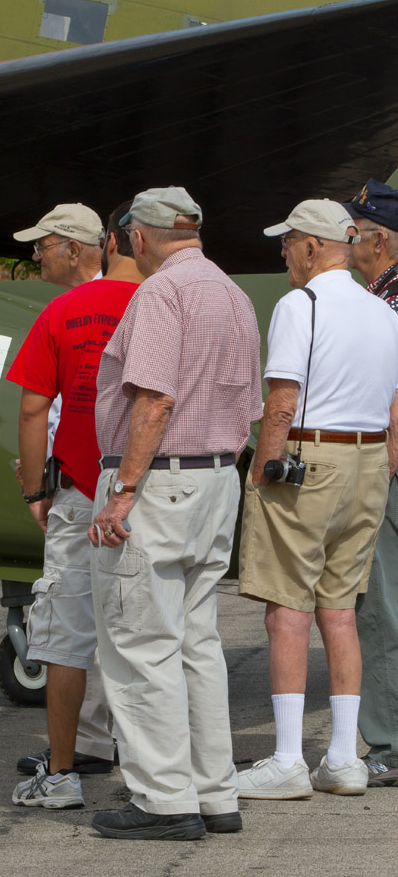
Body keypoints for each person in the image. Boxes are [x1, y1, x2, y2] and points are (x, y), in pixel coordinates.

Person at [89, 186, 261, 840]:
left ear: (138, 235)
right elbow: (248, 406)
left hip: (159, 482)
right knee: (197, 642)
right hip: (216, 478)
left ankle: (163, 798)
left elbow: (154, 399)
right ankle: (215, 790)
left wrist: (124, 487)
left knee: (139, 641)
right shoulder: (232, 293)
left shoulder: (161, 293)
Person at [237, 198, 398, 800]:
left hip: (309, 457)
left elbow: (282, 396)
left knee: (286, 608)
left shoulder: (298, 304)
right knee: (340, 610)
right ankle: (343, 758)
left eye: (288, 244)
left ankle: (285, 760)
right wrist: (384, 466)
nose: (283, 254)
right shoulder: (382, 310)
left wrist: (263, 468)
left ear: (311, 246)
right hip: (368, 461)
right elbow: (393, 407)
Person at [7, 203, 143, 809]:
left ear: (76, 246)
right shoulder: (156, 304)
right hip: (144, 487)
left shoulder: (64, 311)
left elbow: (35, 409)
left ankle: (65, 768)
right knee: (140, 626)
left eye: (44, 244)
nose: (36, 254)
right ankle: (139, 761)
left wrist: (35, 488)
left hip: (82, 487)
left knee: (66, 629)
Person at [344, 179, 398, 787]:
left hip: (391, 468)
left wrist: (386, 464)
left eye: (355, 233)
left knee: (380, 608)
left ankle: (389, 742)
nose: (349, 242)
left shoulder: (386, 301)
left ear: (378, 241)